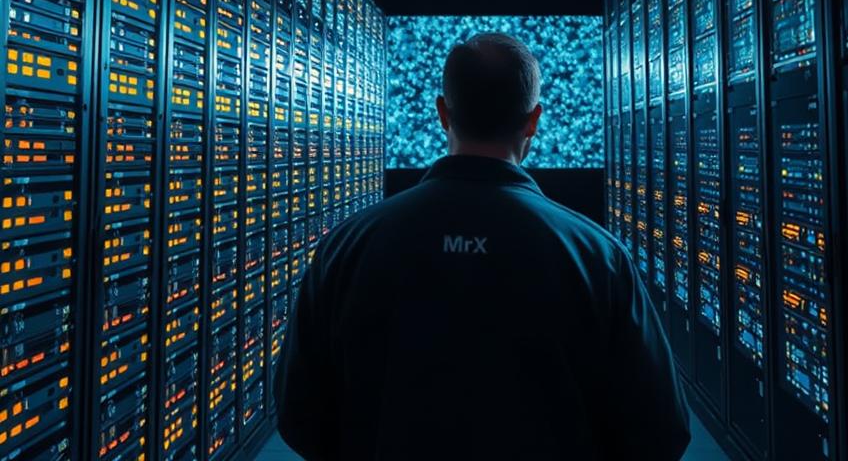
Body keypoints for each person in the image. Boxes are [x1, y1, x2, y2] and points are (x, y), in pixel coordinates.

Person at [275, 32, 690, 460]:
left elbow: (298, 416)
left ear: (442, 113)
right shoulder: (598, 256)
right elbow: (661, 432)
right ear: (534, 121)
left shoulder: (347, 246)